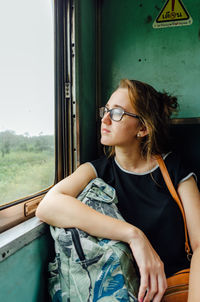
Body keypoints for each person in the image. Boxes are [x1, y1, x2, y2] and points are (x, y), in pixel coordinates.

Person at [36, 79, 200, 302]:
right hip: (124, 292)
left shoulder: (176, 170)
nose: (104, 119)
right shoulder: (96, 171)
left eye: (117, 113)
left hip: (178, 288)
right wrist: (134, 236)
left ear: (142, 128)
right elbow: (48, 205)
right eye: (106, 110)